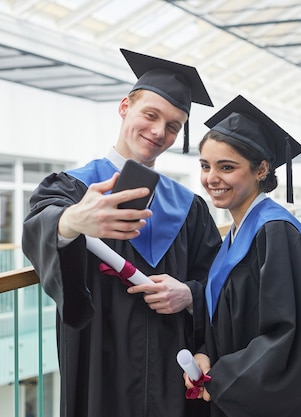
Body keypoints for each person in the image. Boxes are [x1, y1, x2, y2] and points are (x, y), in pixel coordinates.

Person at [22, 49, 222, 417]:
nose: (159, 131)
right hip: (98, 355)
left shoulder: (189, 208)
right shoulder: (73, 189)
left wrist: (190, 294)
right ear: (124, 107)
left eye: (174, 125)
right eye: (150, 114)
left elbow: (218, 279)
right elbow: (40, 225)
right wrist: (70, 223)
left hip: (170, 363)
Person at [183, 95, 301, 417]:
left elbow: (290, 339)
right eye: (205, 166)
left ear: (261, 169)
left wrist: (222, 379)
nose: (211, 178)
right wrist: (205, 355)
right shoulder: (234, 235)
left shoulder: (276, 234)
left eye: (226, 167)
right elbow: (228, 318)